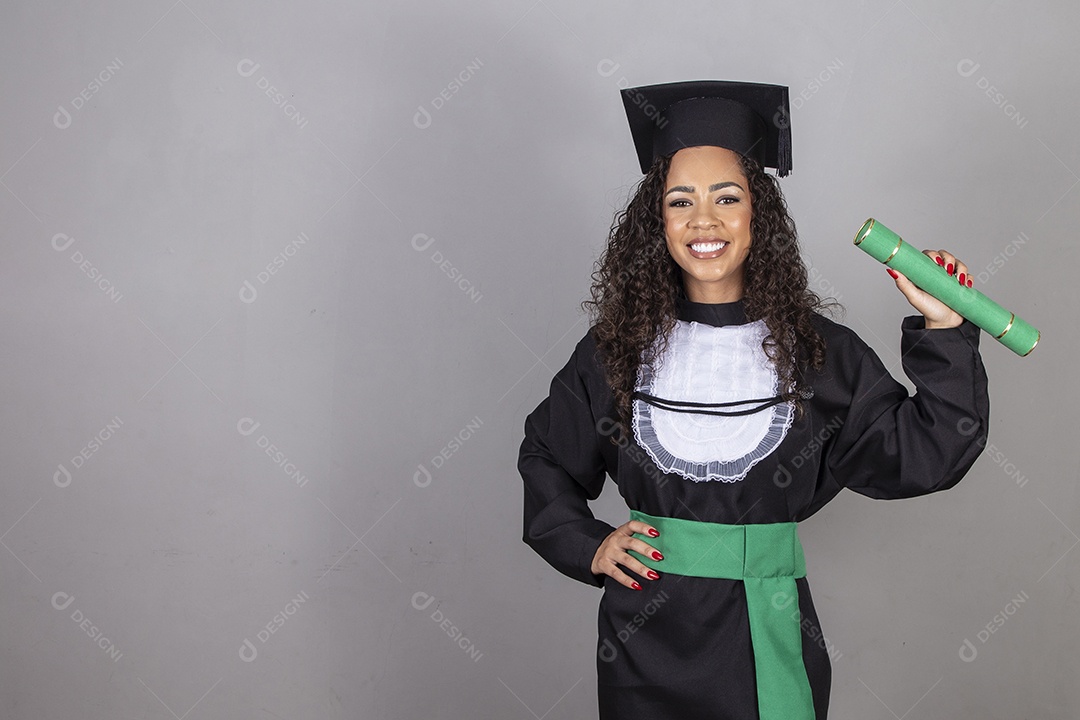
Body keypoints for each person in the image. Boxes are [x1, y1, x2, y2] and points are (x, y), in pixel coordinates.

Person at [516, 80, 991, 720]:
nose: (703, 220)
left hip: (766, 629)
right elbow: (547, 455)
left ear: (756, 215)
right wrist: (587, 544)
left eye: (727, 198)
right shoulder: (617, 349)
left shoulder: (819, 351)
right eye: (680, 201)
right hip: (642, 642)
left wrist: (943, 328)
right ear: (656, 220)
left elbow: (924, 453)